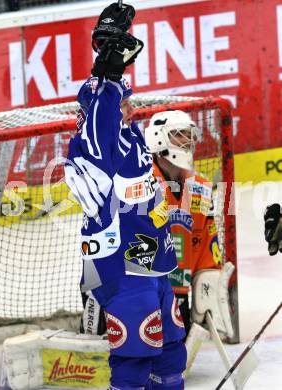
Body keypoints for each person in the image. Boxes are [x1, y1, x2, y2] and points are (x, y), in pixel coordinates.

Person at [64, 2, 186, 389]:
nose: (130, 107)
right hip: (124, 264)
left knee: (170, 348)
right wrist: (109, 69)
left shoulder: (127, 135)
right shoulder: (95, 142)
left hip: (152, 259)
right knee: (135, 357)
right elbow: (101, 105)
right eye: (124, 102)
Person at [144, 110, 235, 341]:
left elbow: (207, 243)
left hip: (179, 292)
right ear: (158, 138)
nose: (187, 141)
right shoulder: (140, 183)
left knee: (174, 357)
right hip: (142, 291)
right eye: (178, 134)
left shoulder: (201, 188)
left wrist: (208, 284)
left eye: (188, 134)